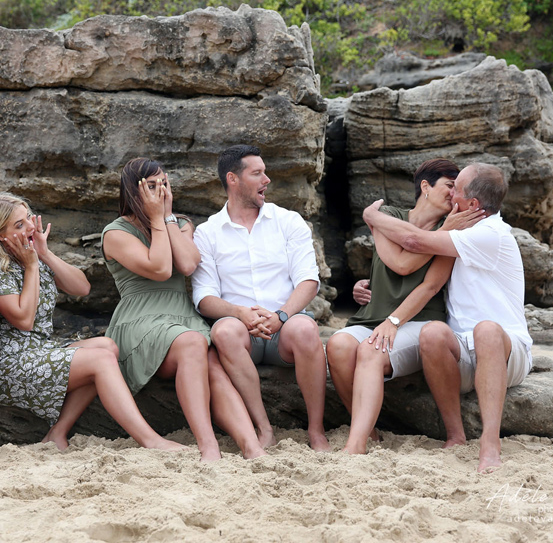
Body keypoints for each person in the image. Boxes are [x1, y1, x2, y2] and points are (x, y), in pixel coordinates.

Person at [0, 193, 184, 452]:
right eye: (19, 225)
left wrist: (45, 254)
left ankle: (57, 432)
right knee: (100, 359)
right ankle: (150, 440)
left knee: (107, 346)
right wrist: (32, 267)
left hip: (40, 349)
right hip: (11, 362)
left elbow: (82, 288)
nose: (30, 226)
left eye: (28, 217)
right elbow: (24, 320)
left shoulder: (32, 255)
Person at [362, 162, 532, 473]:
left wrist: (372, 216)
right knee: (432, 333)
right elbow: (412, 269)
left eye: (457, 190)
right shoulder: (461, 232)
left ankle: (490, 443)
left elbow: (413, 242)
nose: (451, 194)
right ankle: (455, 435)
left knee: (486, 330)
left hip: (508, 352)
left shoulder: (490, 234)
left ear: (473, 204)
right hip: (464, 352)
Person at [102, 158, 266, 461]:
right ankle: (209, 446)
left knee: (212, 364)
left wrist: (166, 219)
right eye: (152, 186)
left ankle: (252, 447)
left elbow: (188, 265)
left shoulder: (180, 224)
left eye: (164, 183)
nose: (161, 191)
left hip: (182, 317)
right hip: (141, 320)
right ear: (133, 191)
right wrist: (156, 218)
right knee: (192, 342)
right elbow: (160, 268)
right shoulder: (116, 233)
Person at [327, 159, 473, 454]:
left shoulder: (452, 231)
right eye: (449, 185)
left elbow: (430, 285)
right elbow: (398, 263)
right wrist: (373, 216)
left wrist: (393, 321)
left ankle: (354, 446)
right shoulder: (389, 216)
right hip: (372, 318)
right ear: (425, 186)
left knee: (371, 350)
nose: (454, 194)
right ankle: (369, 433)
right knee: (337, 345)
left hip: (418, 320)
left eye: (457, 189)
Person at [191, 144, 331, 451]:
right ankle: (263, 428)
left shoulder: (288, 221)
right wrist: (240, 313)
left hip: (285, 327)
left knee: (306, 328)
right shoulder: (207, 232)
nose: (266, 180)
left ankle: (316, 430)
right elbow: (204, 297)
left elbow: (309, 280)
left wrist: (281, 315)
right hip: (243, 331)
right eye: (257, 173)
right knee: (223, 331)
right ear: (233, 179)